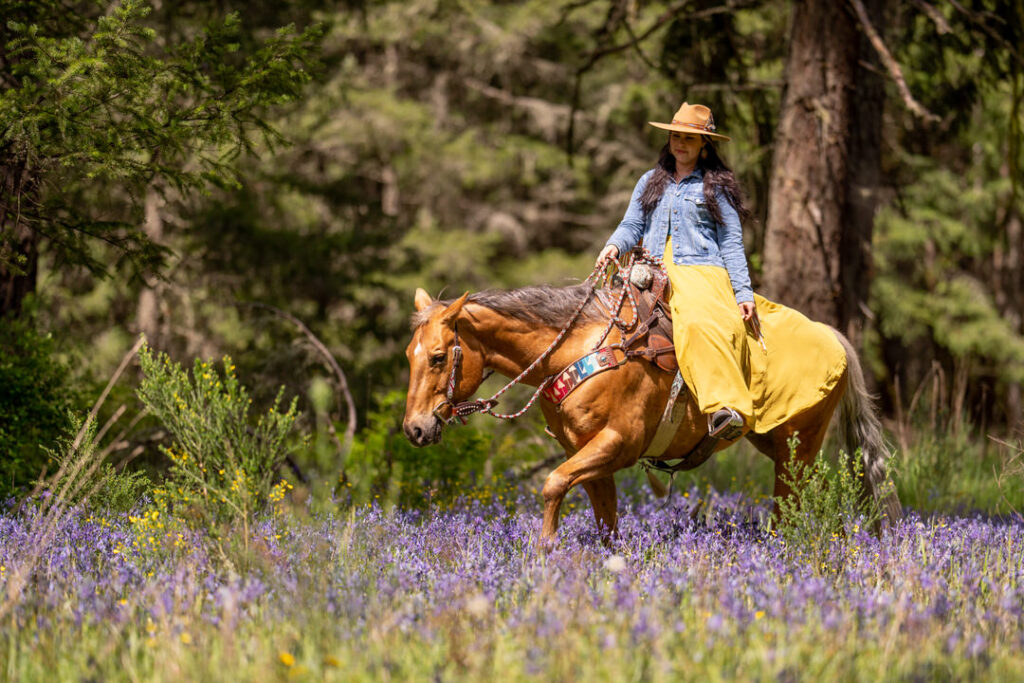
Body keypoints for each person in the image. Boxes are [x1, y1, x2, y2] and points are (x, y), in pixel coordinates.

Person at [597, 102, 755, 439]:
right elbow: (631, 224)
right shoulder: (650, 181)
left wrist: (742, 291)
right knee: (603, 316)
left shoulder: (717, 186)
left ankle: (722, 407)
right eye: (675, 136)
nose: (679, 143)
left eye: (689, 138)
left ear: (704, 146)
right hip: (650, 268)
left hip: (699, 270)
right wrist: (614, 245)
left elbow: (731, 241)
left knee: (698, 321)